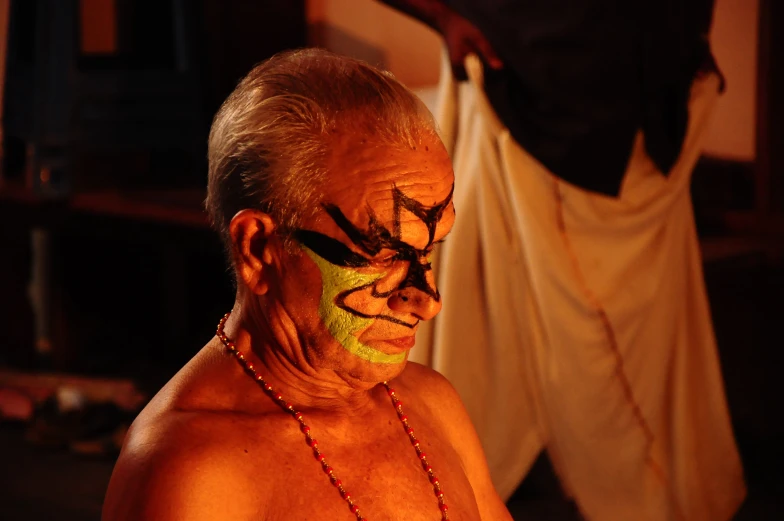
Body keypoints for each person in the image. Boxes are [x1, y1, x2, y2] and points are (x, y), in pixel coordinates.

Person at [101, 48, 514, 521]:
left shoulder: (431, 404)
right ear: (259, 249)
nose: (428, 303)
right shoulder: (194, 472)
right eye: (380, 254)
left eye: (429, 249)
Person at [377, 1, 747, 520]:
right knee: (551, 330)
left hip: (646, 95)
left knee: (642, 335)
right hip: (539, 92)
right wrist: (445, 11)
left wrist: (685, 35)